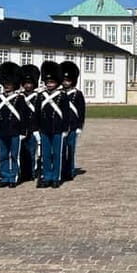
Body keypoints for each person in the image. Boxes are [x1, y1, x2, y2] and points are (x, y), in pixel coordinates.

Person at [0, 62, 27, 188]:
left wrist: (23, 132)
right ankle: (4, 176)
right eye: (5, 83)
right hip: (2, 131)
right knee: (3, 155)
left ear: (14, 84)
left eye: (9, 83)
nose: (7, 86)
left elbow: (23, 117)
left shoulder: (19, 99)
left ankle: (13, 176)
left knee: (14, 155)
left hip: (15, 130)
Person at [37, 60, 68, 188]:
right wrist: (36, 129)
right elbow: (37, 113)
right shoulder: (41, 96)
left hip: (57, 129)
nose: (49, 84)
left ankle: (56, 177)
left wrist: (65, 129)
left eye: (52, 82)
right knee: (45, 155)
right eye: (48, 82)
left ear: (57, 82)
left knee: (57, 154)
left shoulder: (62, 96)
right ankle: (47, 176)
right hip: (44, 129)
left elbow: (66, 114)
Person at [60, 60, 84, 182]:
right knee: (61, 150)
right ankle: (62, 170)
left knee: (71, 149)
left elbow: (81, 111)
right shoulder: (59, 94)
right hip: (61, 126)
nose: (65, 82)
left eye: (68, 80)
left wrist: (80, 126)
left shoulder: (77, 94)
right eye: (64, 80)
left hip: (73, 126)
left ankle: (70, 171)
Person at [19, 64, 41, 183]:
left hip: (33, 128)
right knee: (22, 153)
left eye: (30, 83)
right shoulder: (19, 97)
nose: (28, 85)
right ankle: (24, 172)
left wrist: (37, 129)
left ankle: (32, 172)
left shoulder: (38, 97)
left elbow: (39, 114)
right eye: (26, 83)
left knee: (32, 152)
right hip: (22, 129)